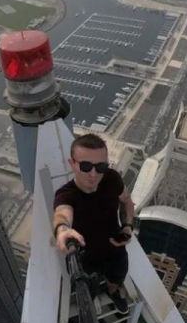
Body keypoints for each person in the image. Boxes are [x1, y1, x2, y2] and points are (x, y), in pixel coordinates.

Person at [53, 134, 135, 313]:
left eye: (100, 167)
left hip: (115, 248)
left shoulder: (112, 178)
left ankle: (113, 292)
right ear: (72, 164)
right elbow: (62, 214)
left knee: (116, 280)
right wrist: (62, 230)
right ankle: (92, 299)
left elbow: (127, 201)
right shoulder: (66, 194)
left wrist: (128, 225)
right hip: (85, 258)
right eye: (85, 166)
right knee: (88, 290)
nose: (93, 174)